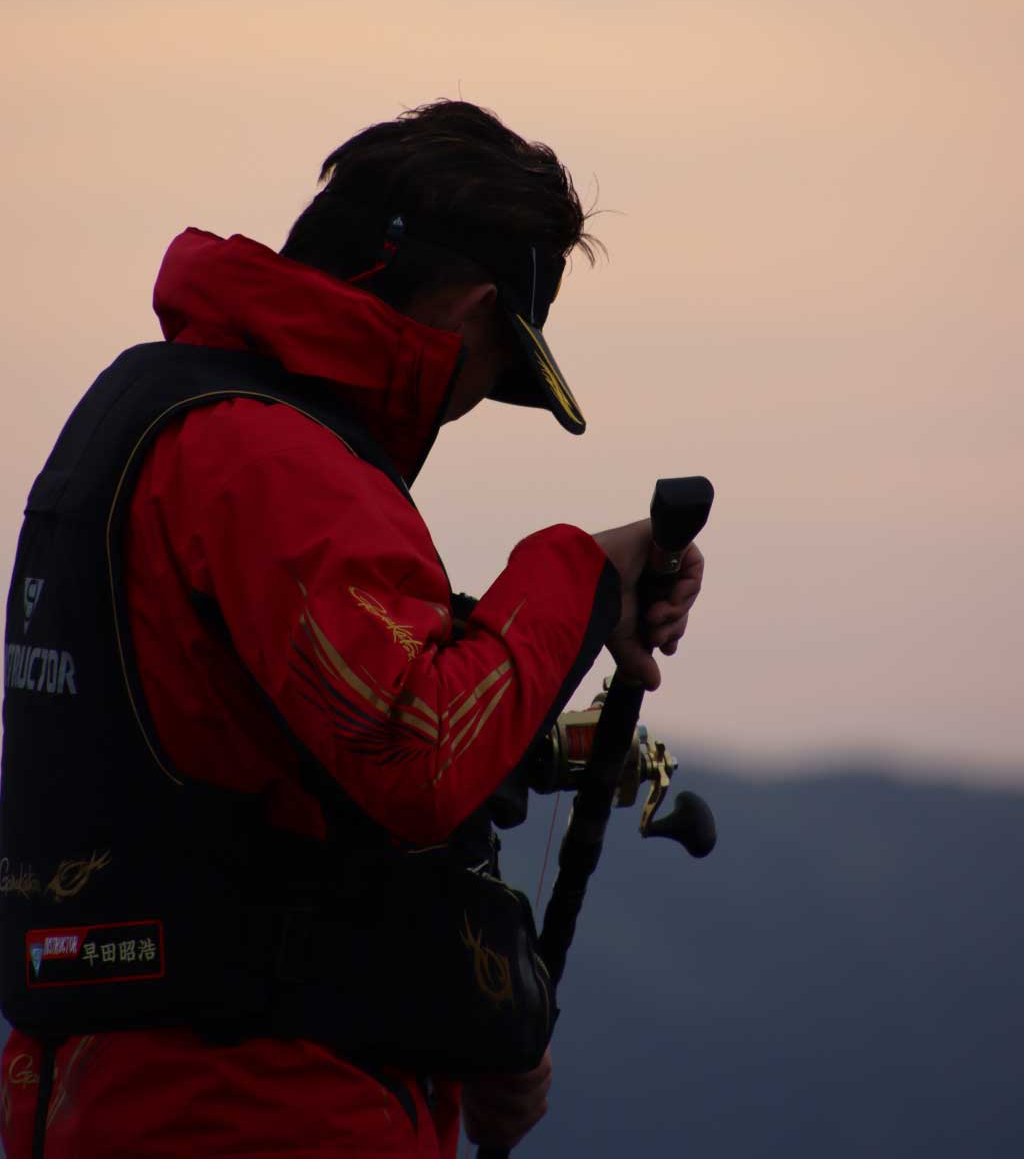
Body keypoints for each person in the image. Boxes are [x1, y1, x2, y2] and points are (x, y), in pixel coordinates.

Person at [0, 101, 704, 1159]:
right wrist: (578, 568)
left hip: (117, 1092)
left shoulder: (150, 410)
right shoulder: (270, 458)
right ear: (471, 314)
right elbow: (418, 753)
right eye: (495, 375)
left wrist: (477, 1031)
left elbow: (275, 771)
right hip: (252, 1112)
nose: (465, 408)